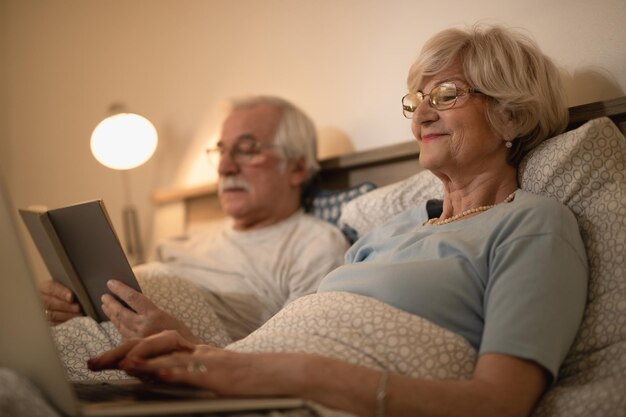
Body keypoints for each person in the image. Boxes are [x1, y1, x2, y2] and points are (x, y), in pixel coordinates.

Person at [89, 25, 588, 417]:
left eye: (447, 95)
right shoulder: (388, 231)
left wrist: (293, 376)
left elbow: (498, 405)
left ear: (512, 117)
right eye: (415, 102)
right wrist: (194, 350)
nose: (420, 119)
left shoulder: (532, 225)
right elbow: (284, 347)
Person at [39, 95, 350, 343]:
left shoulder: (315, 245)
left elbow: (294, 354)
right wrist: (70, 306)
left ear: (296, 169)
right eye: (221, 150)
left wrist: (186, 345)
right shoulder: (180, 240)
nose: (225, 167)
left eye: (246, 150)